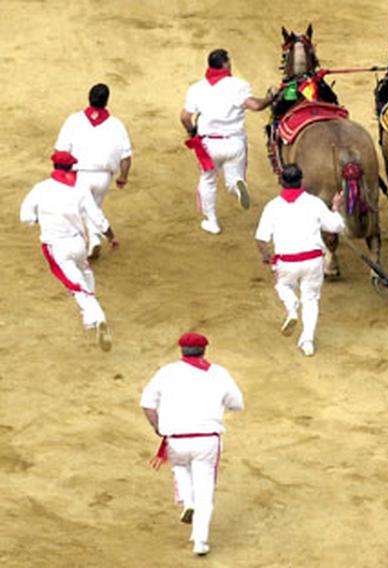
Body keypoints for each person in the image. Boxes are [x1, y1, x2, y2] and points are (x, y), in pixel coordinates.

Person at [140, 333, 244, 557]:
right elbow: (237, 404)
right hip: (207, 439)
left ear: (181, 350)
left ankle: (188, 501)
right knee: (205, 490)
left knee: (180, 468)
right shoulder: (219, 373)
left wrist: (158, 428)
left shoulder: (167, 372)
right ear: (204, 350)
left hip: (176, 439)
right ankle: (200, 541)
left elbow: (147, 404)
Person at [19, 151, 117, 350]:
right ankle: (89, 317)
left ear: (54, 166)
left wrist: (40, 218)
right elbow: (96, 217)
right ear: (72, 168)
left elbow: (26, 217)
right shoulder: (79, 189)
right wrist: (111, 236)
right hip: (79, 244)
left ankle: (97, 317)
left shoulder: (41, 189)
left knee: (76, 285)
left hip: (56, 246)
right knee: (85, 272)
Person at [180, 48, 276, 235]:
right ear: (224, 64)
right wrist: (270, 98)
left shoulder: (197, 88)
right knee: (234, 179)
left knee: (208, 180)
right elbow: (256, 106)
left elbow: (184, 117)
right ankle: (238, 189)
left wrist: (192, 132)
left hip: (209, 144)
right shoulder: (238, 85)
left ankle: (212, 222)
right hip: (234, 142)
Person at [255, 164, 345, 356]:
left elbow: (261, 239)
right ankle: (307, 341)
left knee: (283, 287)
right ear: (301, 181)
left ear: (281, 181)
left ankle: (292, 307)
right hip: (312, 260)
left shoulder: (272, 206)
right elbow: (336, 227)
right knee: (311, 299)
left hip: (286, 261)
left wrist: (266, 256)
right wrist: (336, 207)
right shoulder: (314, 203)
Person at [54, 83, 132, 259]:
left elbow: (60, 151)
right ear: (106, 101)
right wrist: (123, 177)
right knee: (93, 207)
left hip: (80, 173)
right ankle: (95, 238)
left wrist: (61, 173)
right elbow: (126, 156)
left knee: (85, 209)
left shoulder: (74, 120)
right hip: (104, 176)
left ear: (89, 98)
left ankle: (95, 239)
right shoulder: (117, 125)